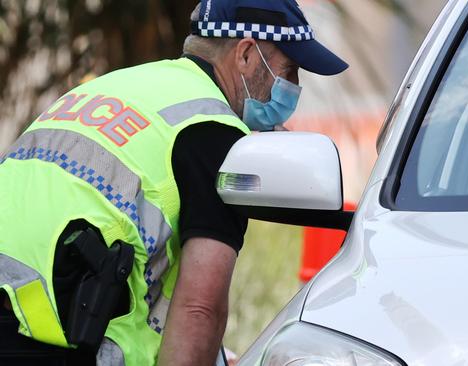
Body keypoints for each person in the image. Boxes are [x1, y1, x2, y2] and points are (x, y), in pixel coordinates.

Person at [0, 0, 348, 365]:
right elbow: (200, 309)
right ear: (245, 55)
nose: (293, 87)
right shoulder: (213, 131)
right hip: (47, 340)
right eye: (289, 69)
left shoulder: (119, 86)